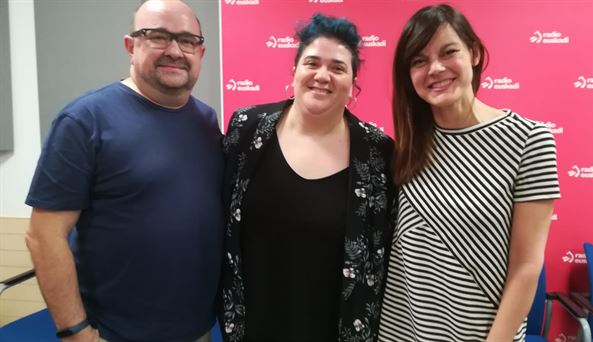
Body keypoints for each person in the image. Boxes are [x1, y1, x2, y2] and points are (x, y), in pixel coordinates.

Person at [25, 1, 223, 341]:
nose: (175, 50)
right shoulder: (84, 120)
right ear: (131, 46)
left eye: (187, 40)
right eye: (159, 36)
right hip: (114, 333)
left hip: (197, 330)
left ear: (200, 51)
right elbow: (44, 235)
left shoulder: (206, 120)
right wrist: (74, 331)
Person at [378, 4, 560, 341]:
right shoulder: (409, 145)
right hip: (402, 332)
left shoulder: (529, 140)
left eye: (448, 52)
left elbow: (526, 267)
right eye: (418, 60)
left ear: (474, 53)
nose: (435, 69)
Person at [220, 13, 395, 342]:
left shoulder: (378, 152)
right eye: (312, 63)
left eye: (338, 68)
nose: (322, 76)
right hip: (253, 326)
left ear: (353, 82)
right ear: (295, 71)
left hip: (336, 328)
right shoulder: (246, 128)